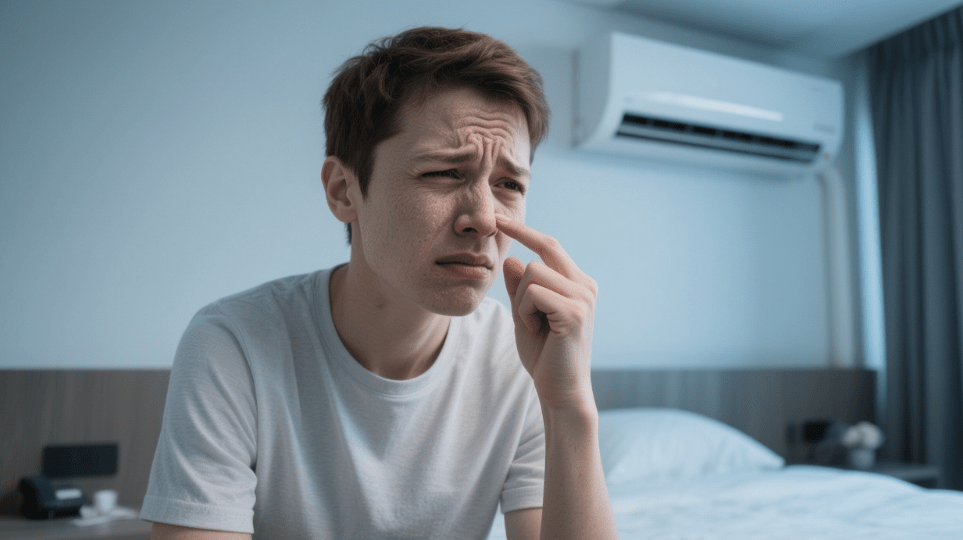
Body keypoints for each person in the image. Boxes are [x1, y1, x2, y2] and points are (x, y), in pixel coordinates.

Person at [140, 26, 617, 540]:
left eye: (509, 184)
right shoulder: (233, 345)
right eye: (444, 172)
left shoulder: (521, 357)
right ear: (344, 190)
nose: (483, 219)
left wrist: (570, 406)